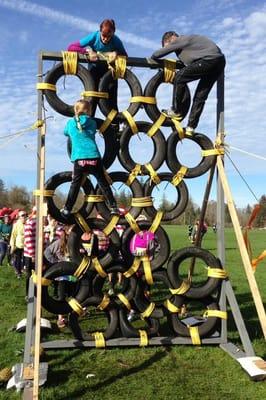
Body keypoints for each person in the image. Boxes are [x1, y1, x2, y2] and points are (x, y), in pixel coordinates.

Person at [151, 31, 226, 133]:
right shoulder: (190, 45)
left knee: (179, 77)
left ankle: (175, 110)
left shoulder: (179, 40)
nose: (172, 49)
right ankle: (191, 127)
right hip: (219, 61)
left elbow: (157, 54)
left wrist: (152, 59)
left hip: (209, 60)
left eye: (168, 46)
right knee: (200, 96)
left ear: (170, 39)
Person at [60, 99, 119, 218]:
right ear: (89, 111)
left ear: (76, 110)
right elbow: (92, 128)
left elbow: (65, 133)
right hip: (94, 157)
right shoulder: (92, 122)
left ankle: (67, 209)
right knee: (103, 183)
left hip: (79, 159)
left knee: (75, 185)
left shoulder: (70, 123)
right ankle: (113, 207)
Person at [67, 18, 127, 115]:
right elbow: (71, 47)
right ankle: (88, 124)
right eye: (103, 36)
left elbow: (125, 55)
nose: (106, 39)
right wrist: (88, 51)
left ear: (113, 33)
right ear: (100, 31)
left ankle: (114, 126)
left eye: (109, 36)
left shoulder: (116, 41)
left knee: (111, 99)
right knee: (92, 98)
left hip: (109, 71)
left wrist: (116, 53)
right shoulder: (94, 36)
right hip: (94, 69)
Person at [24, 207, 37, 298]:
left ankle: (37, 293)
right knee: (29, 274)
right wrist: (33, 255)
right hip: (30, 254)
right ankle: (28, 293)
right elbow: (28, 240)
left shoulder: (41, 223)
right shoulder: (30, 223)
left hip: (39, 254)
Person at [9, 210, 27, 278]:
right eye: (22, 215)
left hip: (26, 245)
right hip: (18, 245)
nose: (24, 216)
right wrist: (12, 245)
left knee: (26, 260)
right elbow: (13, 235)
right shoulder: (16, 224)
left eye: (25, 215)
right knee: (18, 259)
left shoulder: (28, 223)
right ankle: (18, 272)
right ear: (19, 217)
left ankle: (24, 269)